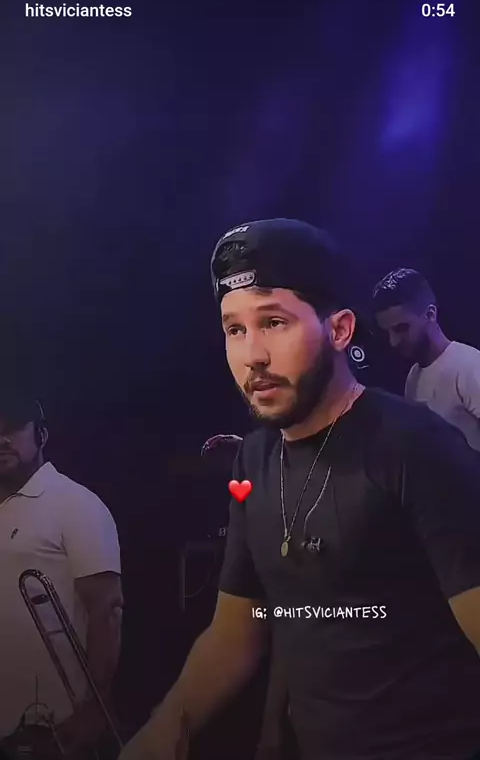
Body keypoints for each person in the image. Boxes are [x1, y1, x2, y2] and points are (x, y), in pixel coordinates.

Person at [120, 219, 480, 760]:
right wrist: (164, 731)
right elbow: (236, 633)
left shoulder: (417, 448)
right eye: (235, 329)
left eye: (274, 322)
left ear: (340, 331)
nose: (253, 355)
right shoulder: (254, 459)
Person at [0, 389, 123, 755]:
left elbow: (108, 610)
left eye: (13, 428)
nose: (2, 439)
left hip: (50, 723)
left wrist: (95, 708)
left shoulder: (75, 504)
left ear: (41, 435)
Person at [372, 267, 480, 450]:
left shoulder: (469, 365)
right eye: (387, 332)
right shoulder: (413, 377)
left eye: (401, 328)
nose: (393, 341)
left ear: (430, 314)